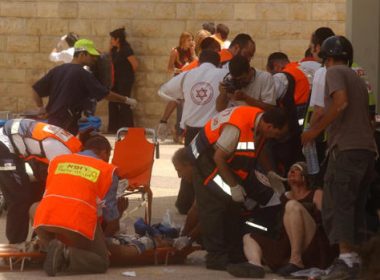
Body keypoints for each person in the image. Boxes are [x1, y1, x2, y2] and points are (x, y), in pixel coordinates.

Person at [301, 36, 378, 280]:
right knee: (355, 208)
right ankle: (358, 261)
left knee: (338, 204)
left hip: (346, 150)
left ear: (328, 59)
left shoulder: (334, 73)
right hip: (365, 151)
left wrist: (314, 131)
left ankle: (346, 261)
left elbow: (340, 103)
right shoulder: (358, 78)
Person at [185, 106, 288, 270]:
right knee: (215, 206)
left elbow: (256, 149)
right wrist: (233, 186)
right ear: (269, 126)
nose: (275, 138)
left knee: (233, 205)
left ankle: (233, 253)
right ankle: (216, 257)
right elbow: (218, 157)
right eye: (276, 134)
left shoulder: (259, 122)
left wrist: (270, 172)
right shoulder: (237, 127)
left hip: (221, 160)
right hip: (206, 160)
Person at [227, 162, 337, 278]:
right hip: (288, 243)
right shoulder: (284, 196)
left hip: (313, 242)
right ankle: (255, 265)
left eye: (296, 169)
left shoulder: (317, 193)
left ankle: (296, 261)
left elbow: (327, 223)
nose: (292, 172)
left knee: (292, 206)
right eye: (290, 170)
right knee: (248, 237)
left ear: (305, 176)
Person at [32, 135, 119, 276]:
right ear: (104, 152)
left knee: (35, 207)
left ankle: (50, 249)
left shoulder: (58, 161)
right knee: (101, 262)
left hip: (43, 218)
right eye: (109, 155)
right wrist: (111, 230)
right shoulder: (107, 170)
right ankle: (65, 254)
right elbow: (111, 216)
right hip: (75, 220)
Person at [157, 50, 227, 214]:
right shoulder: (224, 74)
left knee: (190, 167)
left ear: (200, 61)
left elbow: (165, 91)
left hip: (192, 132)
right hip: (214, 131)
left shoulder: (188, 75)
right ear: (218, 63)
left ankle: (184, 204)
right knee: (213, 168)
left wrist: (183, 96)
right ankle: (211, 203)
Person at [0, 119, 82, 244]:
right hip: (5, 144)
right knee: (19, 198)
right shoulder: (62, 154)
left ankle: (38, 239)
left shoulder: (75, 147)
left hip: (22, 143)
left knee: (38, 192)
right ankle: (16, 244)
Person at [32, 39, 137, 135]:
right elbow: (106, 94)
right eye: (91, 56)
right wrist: (127, 100)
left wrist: (41, 109)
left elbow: (35, 90)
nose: (94, 59)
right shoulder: (82, 74)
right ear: (82, 54)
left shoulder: (57, 70)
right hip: (67, 124)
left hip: (52, 122)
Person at [108, 27, 139, 132]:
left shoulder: (126, 49)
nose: (111, 41)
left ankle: (128, 129)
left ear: (118, 39)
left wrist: (127, 76)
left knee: (124, 103)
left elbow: (135, 65)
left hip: (125, 81)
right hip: (115, 80)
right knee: (112, 102)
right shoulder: (114, 50)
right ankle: (113, 128)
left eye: (112, 38)